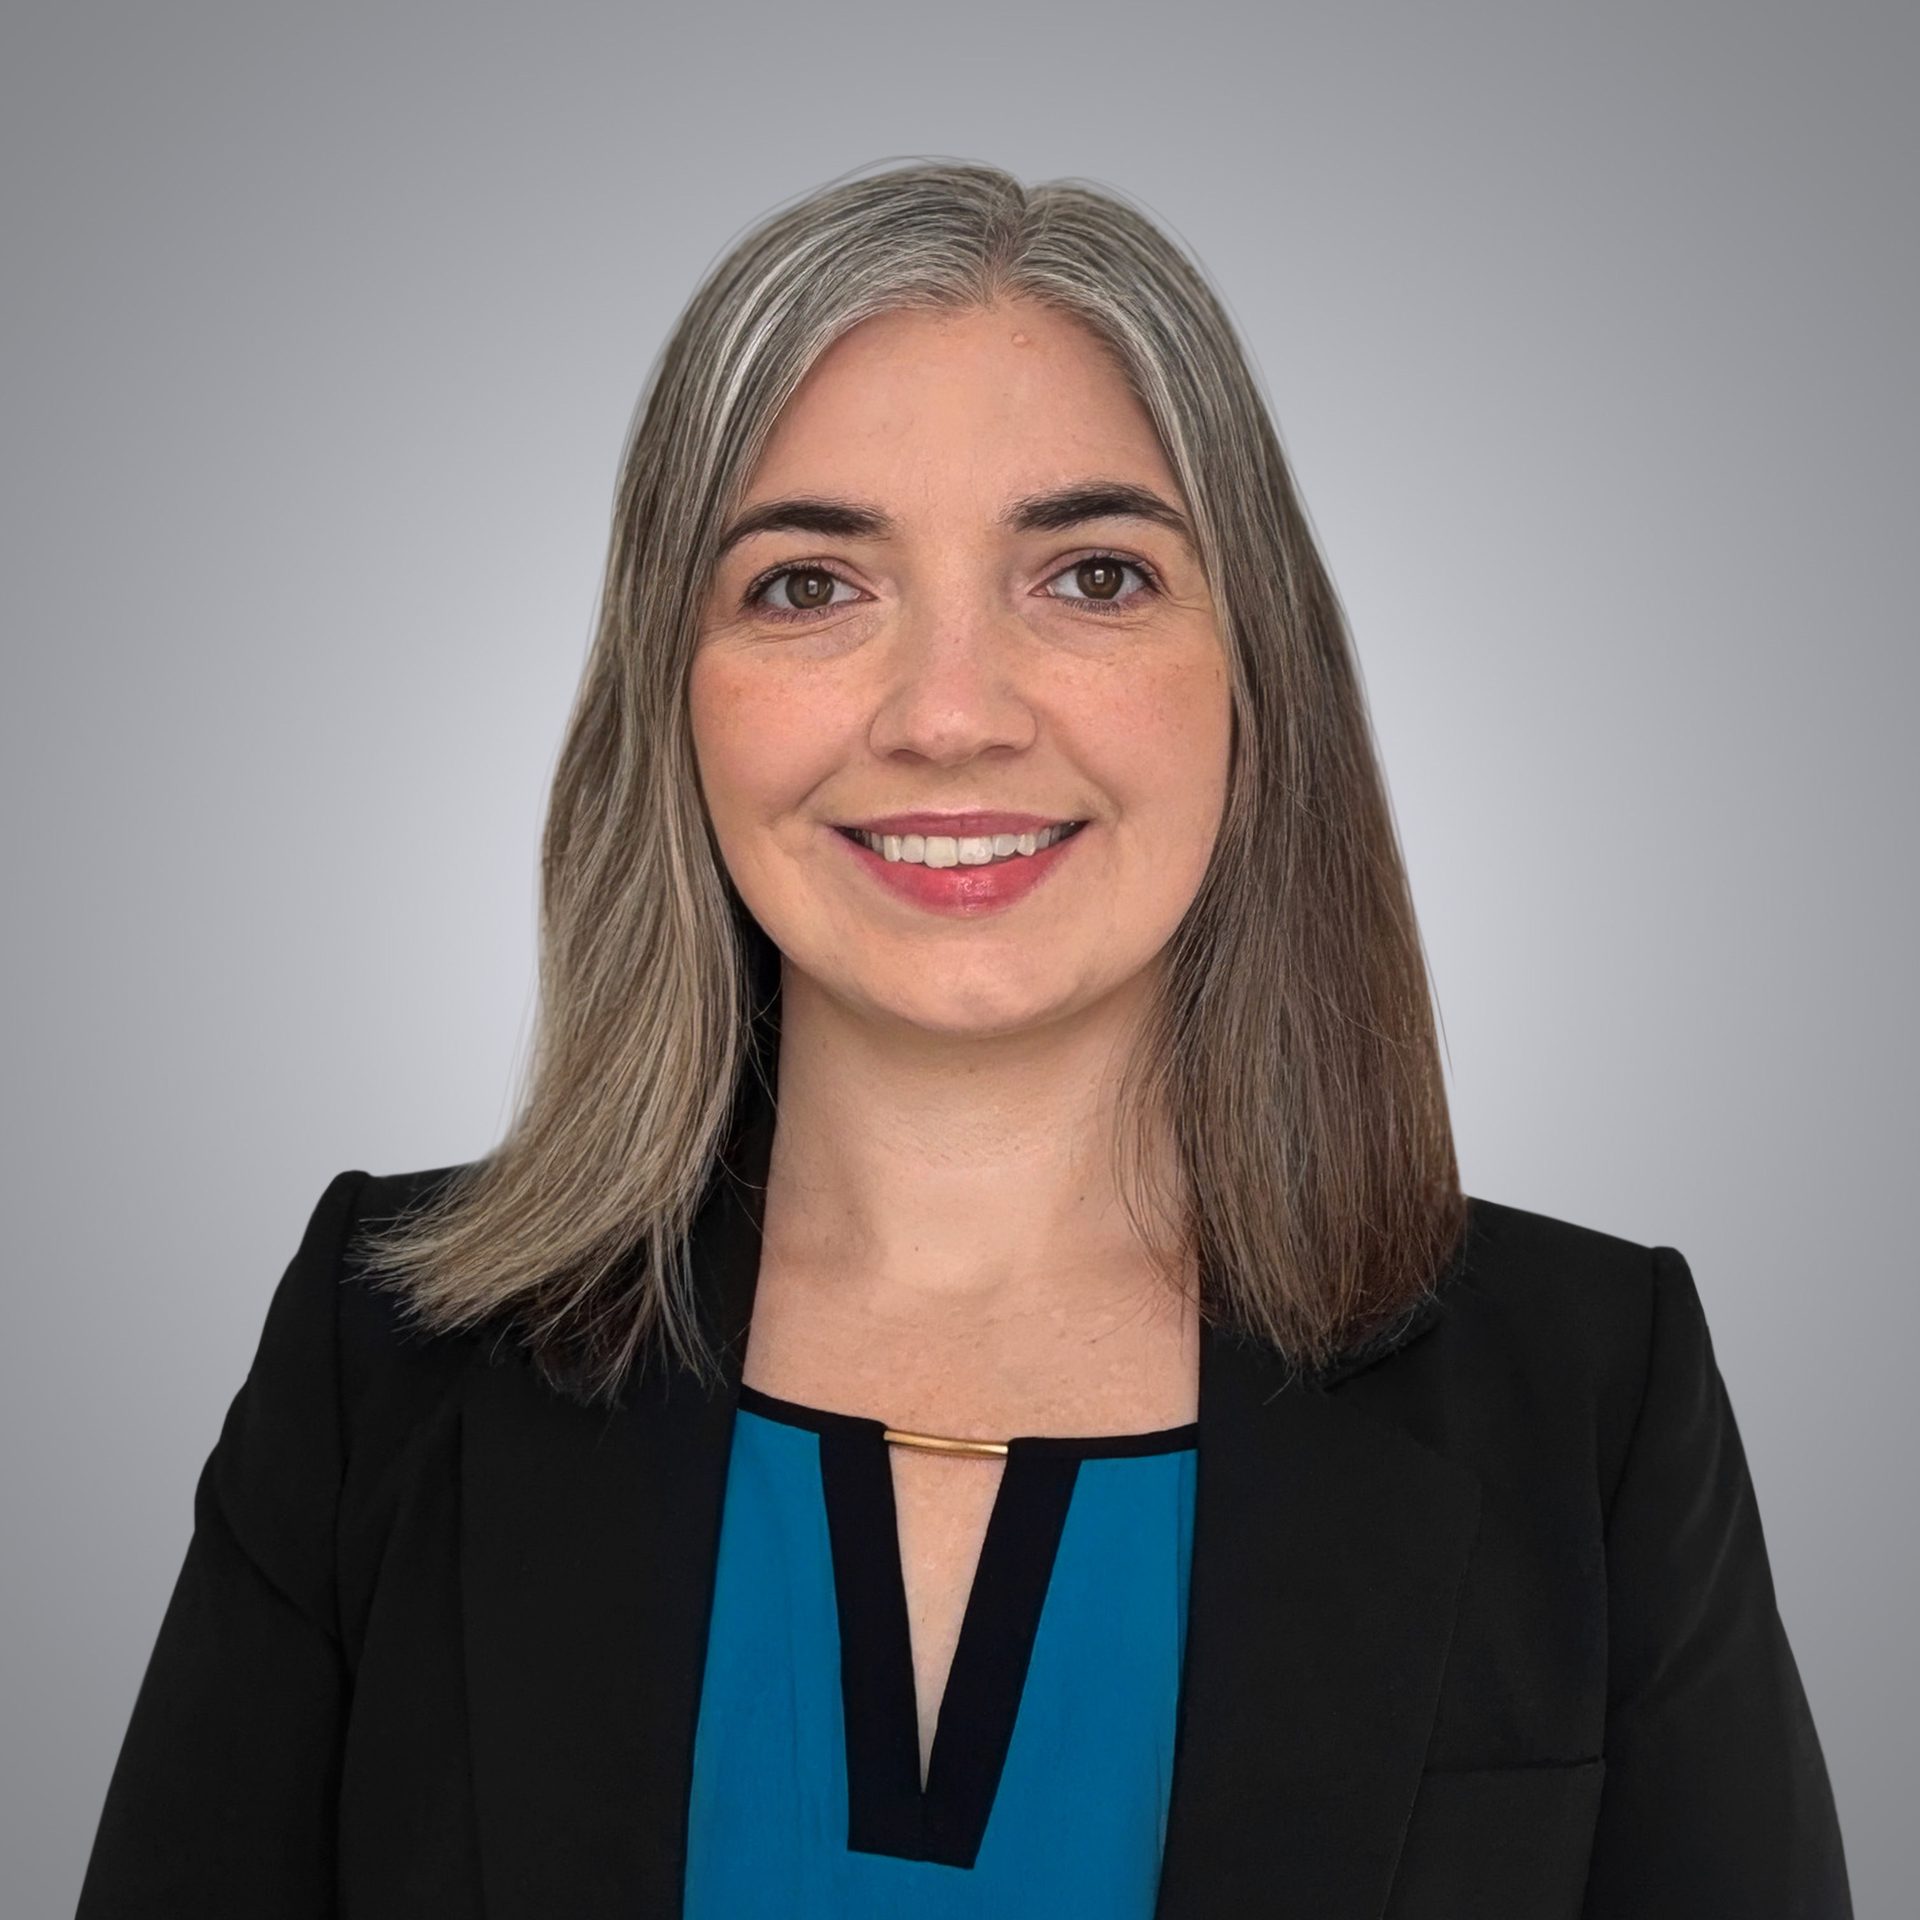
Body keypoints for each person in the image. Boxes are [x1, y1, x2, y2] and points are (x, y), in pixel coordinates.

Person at [75, 160, 1852, 1919]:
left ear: (1257, 671)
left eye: (1090, 575)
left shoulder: (1589, 1396)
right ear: (669, 691)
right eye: (807, 586)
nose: (947, 718)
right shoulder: (383, 1361)